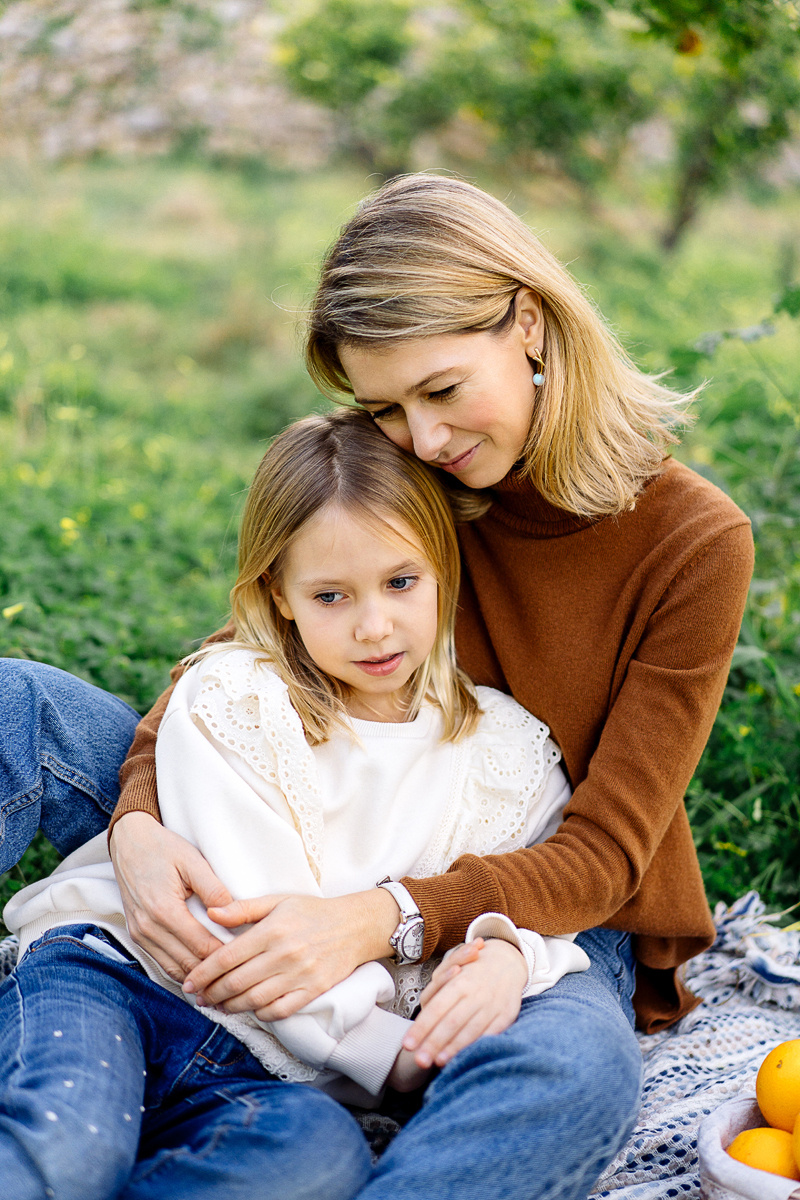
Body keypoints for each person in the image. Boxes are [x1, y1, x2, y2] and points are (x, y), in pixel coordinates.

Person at [0, 173, 754, 1199]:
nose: (424, 440)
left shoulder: (689, 541)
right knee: (17, 708)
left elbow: (607, 849)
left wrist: (387, 919)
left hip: (530, 894)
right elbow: (233, 658)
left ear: (526, 322)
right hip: (293, 807)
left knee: (575, 1072)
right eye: (383, 407)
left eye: (441, 391)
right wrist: (138, 827)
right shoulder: (411, 468)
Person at [1, 409, 590, 1199]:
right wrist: (399, 1059)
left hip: (275, 1081)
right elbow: (259, 950)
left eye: (401, 582)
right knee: (67, 1146)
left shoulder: (507, 754)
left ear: (446, 566)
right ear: (279, 594)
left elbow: (541, 896)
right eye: (331, 596)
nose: (374, 626)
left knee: (317, 1163)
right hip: (128, 985)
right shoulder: (241, 697)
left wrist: (512, 959)